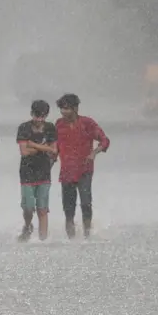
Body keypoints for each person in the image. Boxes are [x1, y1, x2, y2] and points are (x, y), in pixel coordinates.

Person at [54, 93, 110, 239]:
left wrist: (95, 152)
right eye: (62, 109)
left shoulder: (87, 123)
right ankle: (71, 239)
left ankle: (87, 235)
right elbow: (55, 146)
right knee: (68, 209)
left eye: (67, 108)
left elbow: (104, 141)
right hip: (66, 171)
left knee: (86, 203)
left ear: (76, 108)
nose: (64, 112)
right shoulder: (58, 124)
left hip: (85, 169)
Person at [16, 100, 57, 242]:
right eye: (36, 116)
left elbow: (54, 150)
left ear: (46, 116)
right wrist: (44, 147)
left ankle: (43, 240)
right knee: (28, 208)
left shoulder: (50, 128)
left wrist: (33, 144)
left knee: (42, 209)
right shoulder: (24, 128)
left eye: (42, 116)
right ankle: (27, 226)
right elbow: (24, 152)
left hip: (44, 172)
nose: (39, 120)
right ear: (31, 114)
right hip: (27, 173)